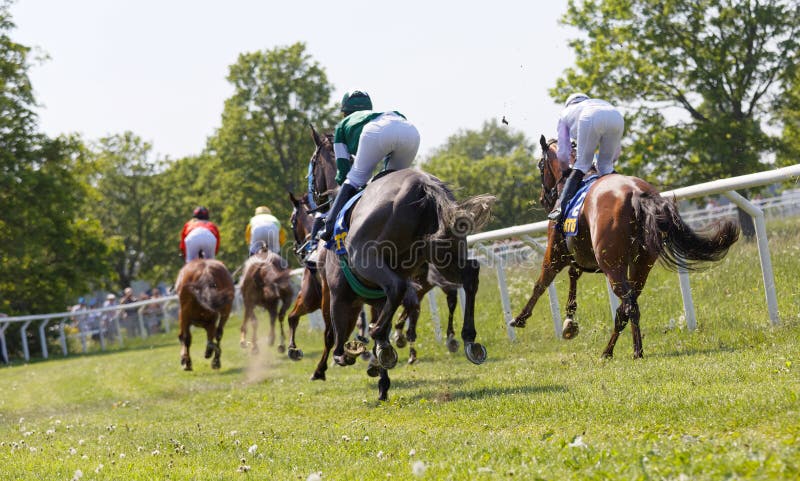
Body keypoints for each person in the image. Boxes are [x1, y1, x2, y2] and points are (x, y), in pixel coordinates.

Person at [319, 90, 421, 242]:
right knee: (395, 182)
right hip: (410, 130)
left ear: (345, 113)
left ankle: (329, 225)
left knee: (353, 178)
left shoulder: (342, 126)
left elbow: (342, 174)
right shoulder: (378, 115)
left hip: (377, 132)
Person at [547, 93, 625, 222]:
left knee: (581, 166)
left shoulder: (565, 113)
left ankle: (560, 209)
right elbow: (616, 153)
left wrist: (566, 170)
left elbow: (562, 153)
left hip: (590, 117)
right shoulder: (596, 102)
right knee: (606, 167)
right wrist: (603, 163)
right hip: (617, 116)